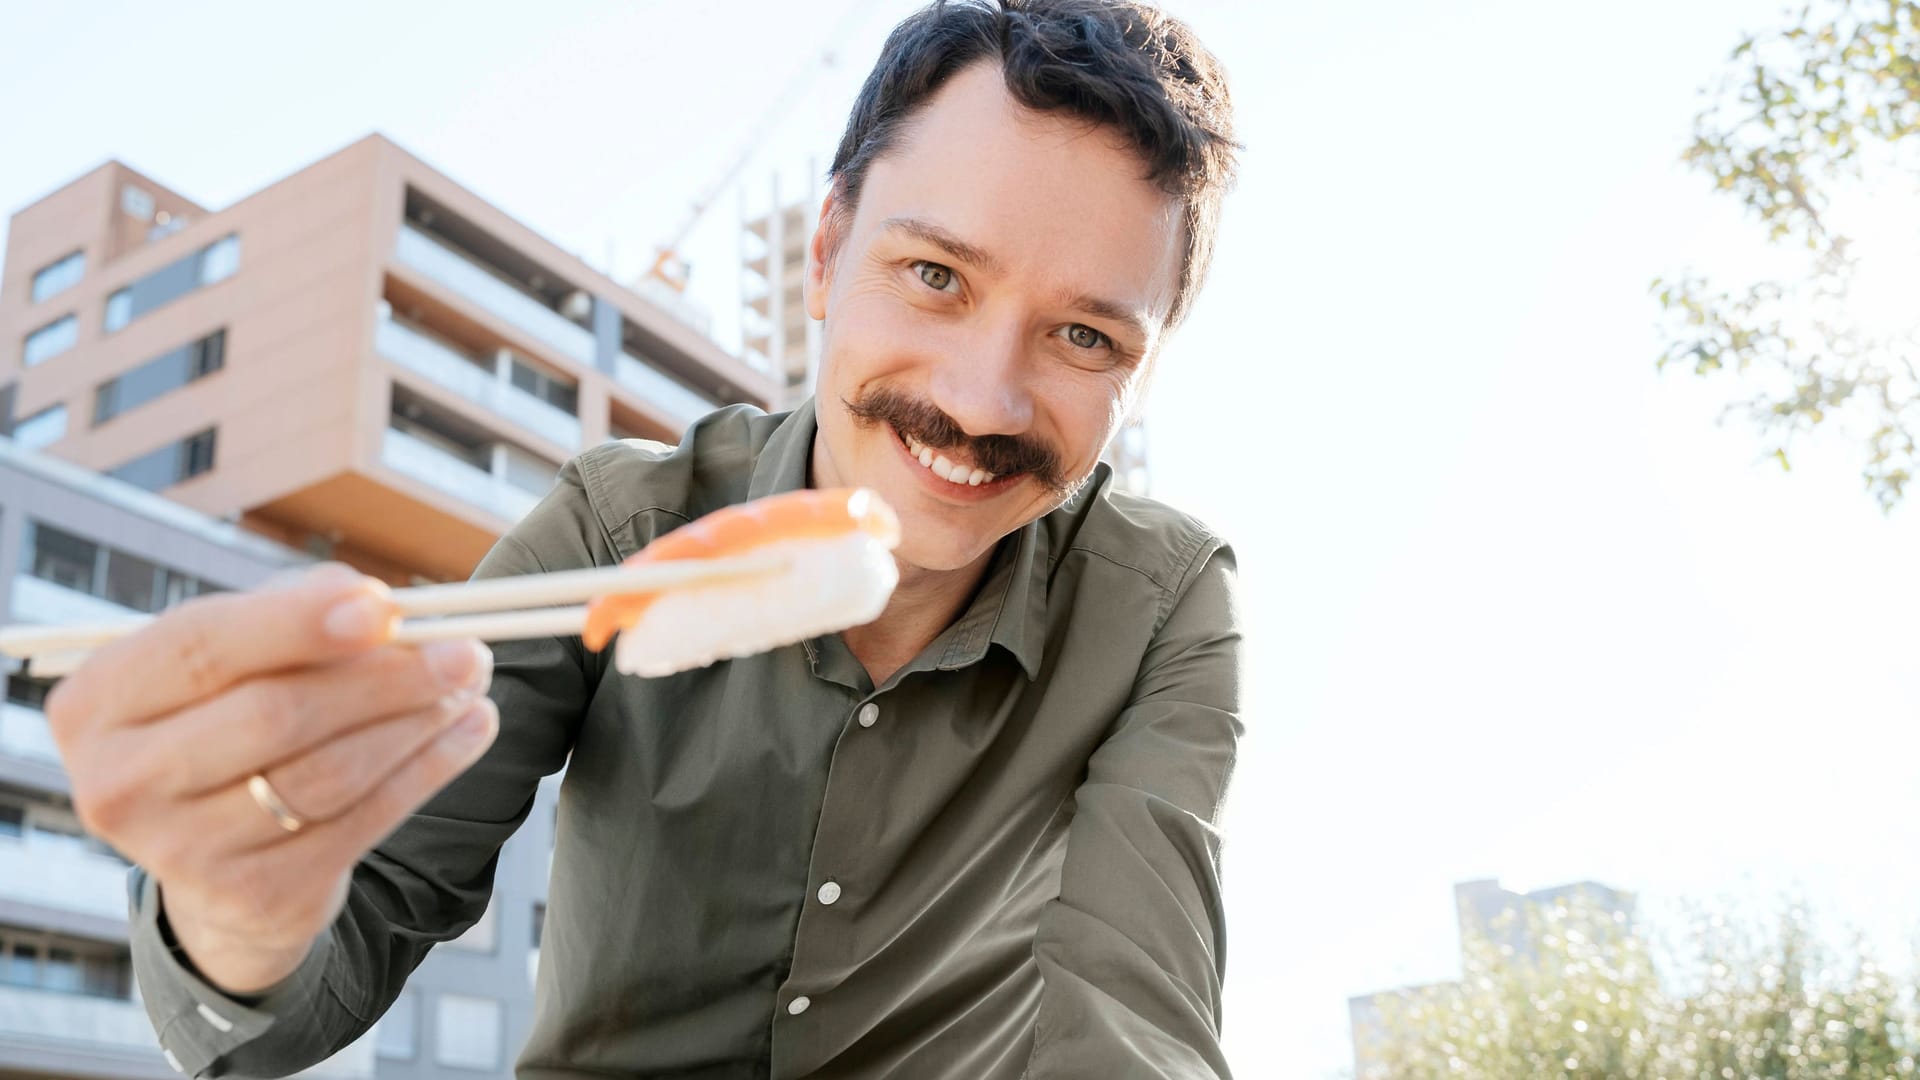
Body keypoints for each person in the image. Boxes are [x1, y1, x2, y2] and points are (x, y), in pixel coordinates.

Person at [43, 0, 1243, 1075]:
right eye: (934, 274)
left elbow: (1135, 1015)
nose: (984, 404)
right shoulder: (612, 527)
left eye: (1086, 338)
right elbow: (329, 968)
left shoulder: (1162, 605)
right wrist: (242, 918)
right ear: (825, 256)